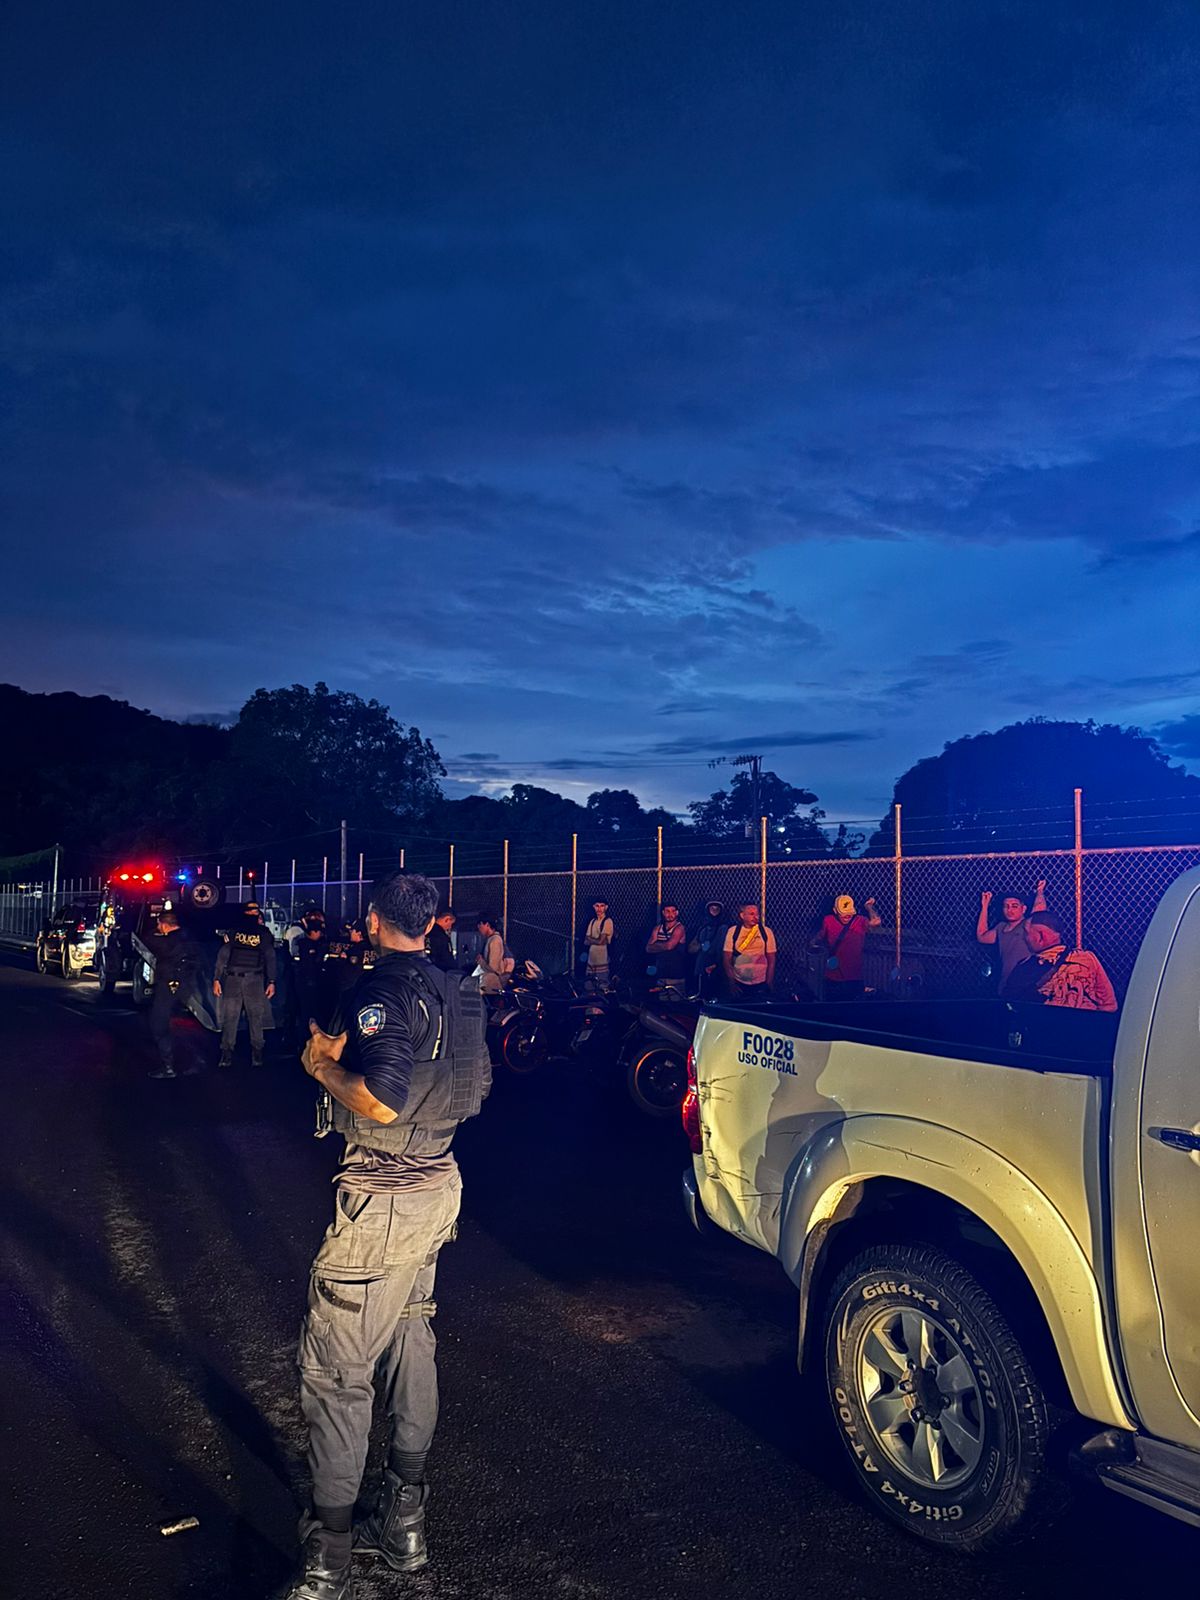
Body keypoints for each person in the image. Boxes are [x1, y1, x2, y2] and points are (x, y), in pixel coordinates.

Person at [285, 872, 490, 1599]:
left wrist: (322, 1067)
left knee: (338, 1371)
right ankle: (404, 1523)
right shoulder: (460, 989)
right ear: (431, 923)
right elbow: (472, 1083)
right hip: (440, 1183)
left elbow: (378, 1098)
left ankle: (327, 1559)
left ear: (374, 920)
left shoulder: (380, 991)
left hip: (384, 1197)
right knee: (411, 1334)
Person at [1001, 909, 1118, 1011]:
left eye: (1027, 933)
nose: (1024, 938)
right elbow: (1109, 1004)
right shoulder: (1088, 958)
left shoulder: (1027, 966)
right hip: (1086, 1029)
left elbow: (1011, 1003)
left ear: (1041, 937)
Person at [213, 901, 276, 1068]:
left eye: (256, 910)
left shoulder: (263, 933)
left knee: (255, 1017)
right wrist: (217, 979)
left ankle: (257, 1052)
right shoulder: (234, 931)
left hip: (254, 979)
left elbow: (270, 957)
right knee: (230, 1018)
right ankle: (226, 1052)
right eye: (252, 910)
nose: (255, 913)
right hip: (234, 979)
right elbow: (223, 956)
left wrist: (271, 981)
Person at [142, 910, 204, 1078]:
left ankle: (168, 1066)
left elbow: (146, 939)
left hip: (167, 986)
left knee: (158, 1023)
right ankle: (196, 1060)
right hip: (187, 986)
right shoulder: (189, 940)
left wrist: (157, 931)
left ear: (164, 924)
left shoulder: (164, 942)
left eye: (159, 924)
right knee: (186, 1024)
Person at [976, 881, 1048, 987]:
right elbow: (982, 937)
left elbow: (1039, 910)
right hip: (1005, 983)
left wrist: (1040, 891)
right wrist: (985, 906)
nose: (1009, 910)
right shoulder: (1001, 927)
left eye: (1014, 906)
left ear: (1023, 909)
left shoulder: (1027, 925)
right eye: (1006, 906)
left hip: (1027, 983)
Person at [813, 894, 881, 998]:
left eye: (849, 914)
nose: (847, 917)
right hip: (833, 976)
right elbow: (820, 935)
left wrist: (869, 907)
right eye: (843, 914)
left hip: (854, 976)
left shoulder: (859, 921)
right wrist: (813, 943)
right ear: (835, 911)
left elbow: (876, 921)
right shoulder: (828, 920)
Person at [722, 903, 777, 1002]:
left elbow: (771, 959)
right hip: (739, 981)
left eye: (757, 914)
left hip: (761, 981)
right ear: (742, 916)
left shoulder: (766, 932)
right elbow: (726, 958)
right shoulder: (733, 931)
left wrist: (769, 982)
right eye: (751, 914)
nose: (755, 917)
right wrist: (731, 982)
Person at [690, 901, 728, 997]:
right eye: (712, 909)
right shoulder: (703, 928)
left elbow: (721, 949)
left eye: (717, 909)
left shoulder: (723, 928)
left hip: (716, 966)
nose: (714, 911)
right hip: (701, 965)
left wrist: (716, 964)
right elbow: (691, 948)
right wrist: (702, 946)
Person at [645, 904, 687, 989]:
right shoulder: (657, 928)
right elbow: (648, 948)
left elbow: (669, 946)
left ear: (677, 913)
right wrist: (664, 946)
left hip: (676, 973)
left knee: (675, 998)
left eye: (673, 911)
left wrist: (656, 945)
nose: (670, 914)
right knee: (662, 998)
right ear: (663, 912)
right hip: (661, 972)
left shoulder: (679, 928)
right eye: (667, 911)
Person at [583, 900, 614, 990]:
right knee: (589, 986)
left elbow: (601, 941)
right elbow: (586, 941)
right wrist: (596, 941)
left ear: (606, 907)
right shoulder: (592, 921)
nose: (599, 909)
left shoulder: (607, 921)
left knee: (602, 986)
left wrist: (591, 940)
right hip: (591, 960)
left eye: (602, 906)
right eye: (597, 906)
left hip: (602, 960)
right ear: (593, 907)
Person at [475, 914, 510, 995]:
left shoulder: (495, 940)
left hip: (492, 982)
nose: (478, 928)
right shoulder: (490, 939)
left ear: (487, 924)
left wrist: (481, 961)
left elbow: (493, 967)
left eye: (480, 924)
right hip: (489, 980)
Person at [427, 909, 457, 973]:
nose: (450, 927)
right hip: (442, 969)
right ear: (447, 919)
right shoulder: (440, 935)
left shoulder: (428, 932)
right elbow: (444, 955)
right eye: (450, 924)